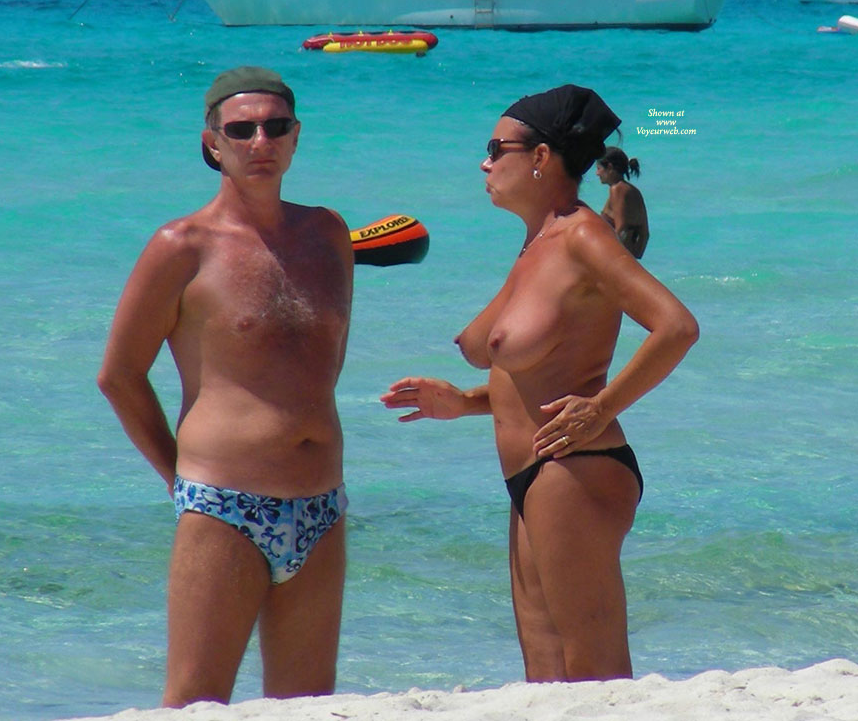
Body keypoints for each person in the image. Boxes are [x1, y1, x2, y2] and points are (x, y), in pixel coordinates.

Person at [381, 85, 698, 683]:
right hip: (536, 474)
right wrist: (466, 402)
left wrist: (600, 408)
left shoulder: (583, 237)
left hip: (575, 470)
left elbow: (676, 327)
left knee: (594, 673)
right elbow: (540, 370)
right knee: (546, 675)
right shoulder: (538, 242)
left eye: (495, 149)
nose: (484, 163)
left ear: (541, 157)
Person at [97, 66, 354, 707]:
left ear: (296, 137)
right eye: (241, 130)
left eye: (275, 127)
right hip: (224, 506)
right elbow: (119, 376)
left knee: (307, 705)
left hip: (322, 506)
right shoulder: (181, 246)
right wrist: (178, 478)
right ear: (213, 142)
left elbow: (317, 368)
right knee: (195, 703)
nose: (260, 141)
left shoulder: (329, 234)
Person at [596, 146, 650, 259]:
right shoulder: (633, 191)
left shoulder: (617, 189)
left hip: (615, 257)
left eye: (599, 168)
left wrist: (606, 255)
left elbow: (621, 228)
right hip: (626, 257)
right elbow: (645, 232)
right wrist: (634, 256)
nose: (597, 173)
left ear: (609, 167)